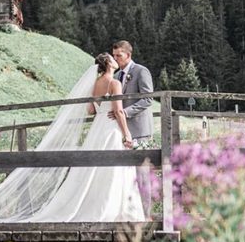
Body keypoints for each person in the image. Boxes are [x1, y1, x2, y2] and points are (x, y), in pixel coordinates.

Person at [25, 52, 145, 222]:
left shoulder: (96, 83)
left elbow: (90, 110)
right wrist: (127, 134)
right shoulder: (114, 82)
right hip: (111, 128)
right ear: (109, 64)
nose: (115, 59)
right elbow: (118, 111)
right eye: (112, 58)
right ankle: (116, 210)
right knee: (114, 167)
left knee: (94, 168)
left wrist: (103, 108)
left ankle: (95, 206)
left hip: (97, 128)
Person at [108, 40, 154, 214]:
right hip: (122, 131)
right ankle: (131, 212)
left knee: (142, 174)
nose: (116, 58)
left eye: (119, 55)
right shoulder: (117, 75)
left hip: (140, 130)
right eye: (114, 56)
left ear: (128, 55)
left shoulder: (141, 71)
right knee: (126, 175)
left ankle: (147, 214)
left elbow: (148, 98)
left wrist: (125, 112)